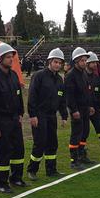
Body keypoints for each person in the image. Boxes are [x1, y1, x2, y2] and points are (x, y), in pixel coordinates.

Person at [0, 43, 27, 193]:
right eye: (8, 57)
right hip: (1, 121)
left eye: (12, 57)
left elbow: (19, 96)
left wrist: (21, 113)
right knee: (3, 152)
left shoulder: (14, 75)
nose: (11, 60)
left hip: (15, 120)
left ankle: (16, 178)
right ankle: (2, 183)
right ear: (0, 59)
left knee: (18, 150)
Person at [27, 48, 68, 180]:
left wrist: (64, 116)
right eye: (55, 62)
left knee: (52, 143)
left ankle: (51, 170)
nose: (58, 65)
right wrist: (32, 115)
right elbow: (32, 96)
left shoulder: (60, 80)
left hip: (51, 116)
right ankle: (32, 170)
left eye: (60, 63)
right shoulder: (39, 76)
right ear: (49, 61)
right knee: (40, 142)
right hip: (39, 115)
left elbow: (62, 99)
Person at [65, 47, 95, 170]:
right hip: (76, 110)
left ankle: (82, 155)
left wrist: (89, 106)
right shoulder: (70, 75)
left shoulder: (83, 74)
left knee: (85, 132)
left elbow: (86, 92)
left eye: (85, 60)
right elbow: (69, 95)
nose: (84, 62)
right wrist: (73, 110)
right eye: (82, 60)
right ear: (76, 61)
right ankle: (74, 160)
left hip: (84, 109)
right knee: (76, 134)